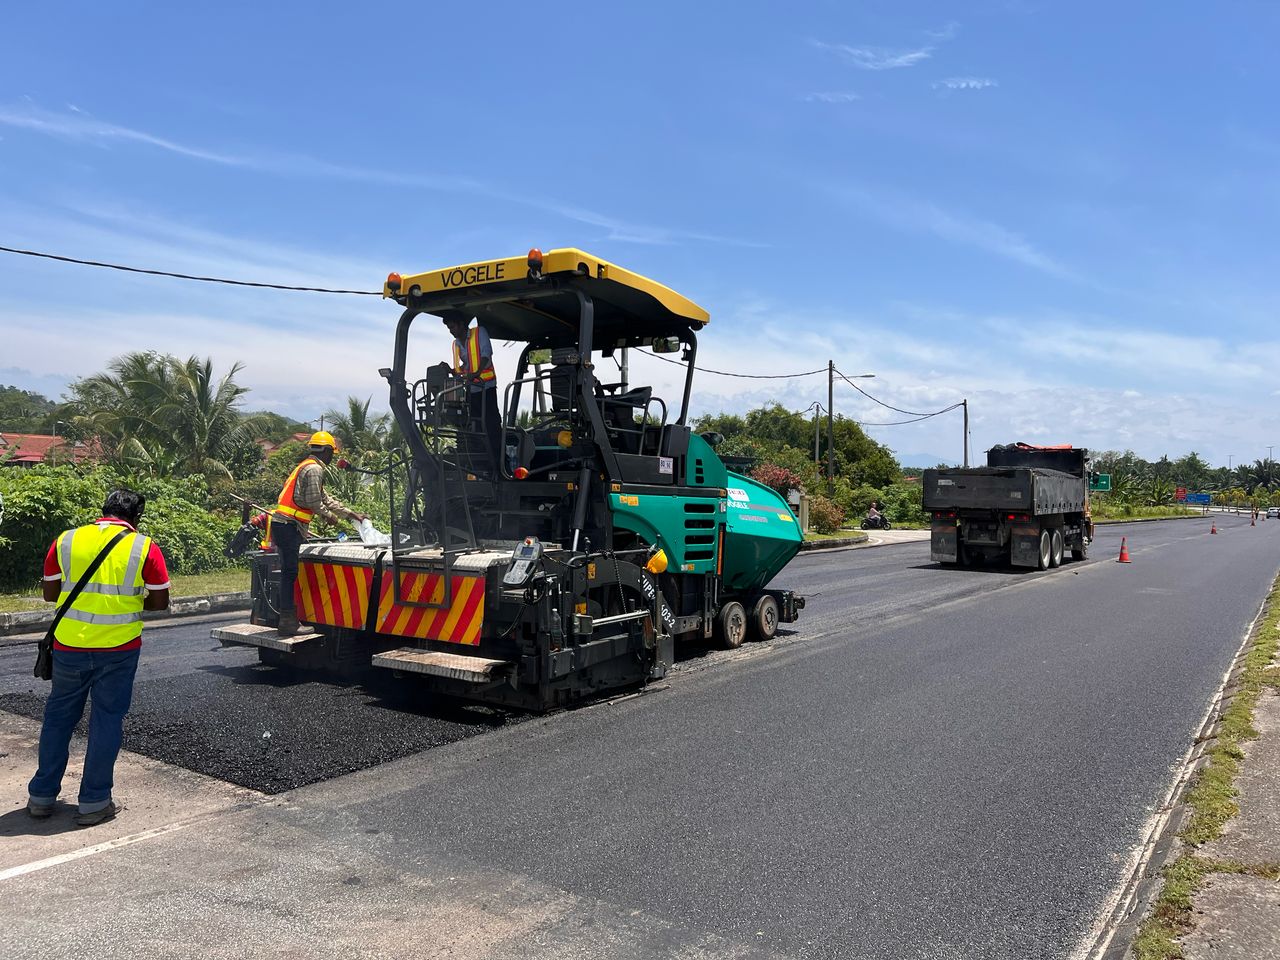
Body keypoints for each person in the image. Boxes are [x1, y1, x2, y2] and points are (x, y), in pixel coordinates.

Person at [27, 489, 170, 827]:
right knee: (106, 721)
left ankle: (42, 796)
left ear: (103, 510)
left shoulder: (66, 540)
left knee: (58, 719)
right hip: (119, 649)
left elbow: (50, 594)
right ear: (136, 517)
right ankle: (94, 802)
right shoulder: (144, 547)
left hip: (69, 647)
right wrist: (129, 602)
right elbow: (160, 601)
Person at [271, 431, 366, 637]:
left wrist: (351, 514)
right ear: (326, 451)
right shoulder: (315, 469)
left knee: (288, 572)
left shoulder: (306, 466)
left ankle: (287, 620)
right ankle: (287, 622)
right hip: (288, 526)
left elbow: (325, 498)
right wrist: (330, 517)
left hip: (285, 525)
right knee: (289, 573)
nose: (332, 457)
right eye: (332, 453)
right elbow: (315, 502)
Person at [444, 311, 502, 467]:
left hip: (486, 386)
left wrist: (477, 372)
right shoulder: (456, 344)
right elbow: (465, 367)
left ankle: (499, 461)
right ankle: (480, 459)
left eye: (453, 327)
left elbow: (486, 354)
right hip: (471, 389)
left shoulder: (479, 333)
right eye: (449, 328)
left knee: (491, 423)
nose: (451, 331)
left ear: (461, 324)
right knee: (474, 424)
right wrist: (451, 370)